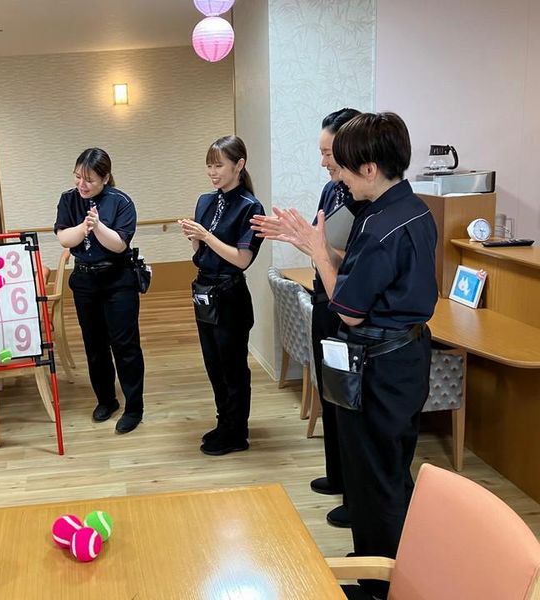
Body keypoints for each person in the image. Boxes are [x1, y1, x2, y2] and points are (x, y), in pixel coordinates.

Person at [257, 112, 437, 599]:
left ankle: (380, 587)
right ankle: (399, 571)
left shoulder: (381, 227)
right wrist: (311, 244)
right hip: (405, 359)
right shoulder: (411, 210)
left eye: (342, 166)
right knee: (390, 471)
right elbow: (361, 276)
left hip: (381, 365)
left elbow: (351, 311)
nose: (337, 176)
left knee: (375, 480)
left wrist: (318, 252)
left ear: (370, 168)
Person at [251, 107, 362, 529]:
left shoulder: (365, 200)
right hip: (324, 301)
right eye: (322, 152)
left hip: (348, 307)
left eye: (329, 153)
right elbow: (322, 247)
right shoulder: (331, 191)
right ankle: (338, 475)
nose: (323, 162)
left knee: (350, 403)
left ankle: (356, 496)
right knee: (329, 392)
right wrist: (296, 237)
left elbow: (349, 259)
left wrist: (316, 247)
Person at [179, 135, 265, 455]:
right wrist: (194, 237)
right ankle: (224, 422)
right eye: (209, 166)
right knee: (213, 364)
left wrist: (205, 235)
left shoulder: (250, 207)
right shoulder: (205, 201)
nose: (212, 172)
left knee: (233, 368)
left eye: (218, 166)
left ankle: (237, 432)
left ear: (239, 165)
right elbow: (199, 254)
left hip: (230, 294)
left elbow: (242, 259)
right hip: (205, 289)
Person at [54, 148, 144, 434]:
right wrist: (84, 226)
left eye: (90, 179)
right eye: (78, 177)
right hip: (85, 280)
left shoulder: (121, 202)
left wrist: (98, 226)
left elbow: (119, 244)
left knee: (125, 345)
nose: (82, 184)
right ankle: (106, 400)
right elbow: (64, 238)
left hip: (118, 279)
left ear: (105, 178)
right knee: (94, 345)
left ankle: (134, 407)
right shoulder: (68, 199)